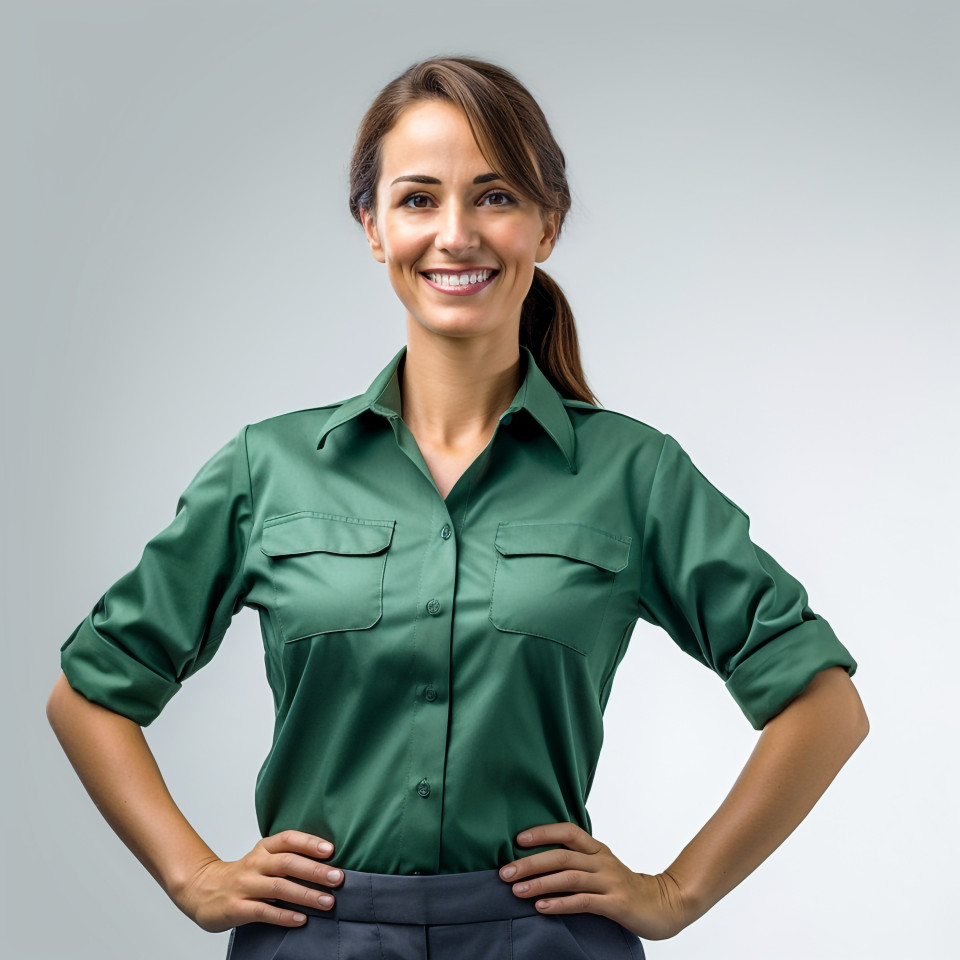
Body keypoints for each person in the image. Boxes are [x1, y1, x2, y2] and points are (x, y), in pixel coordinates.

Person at [46, 56, 869, 960]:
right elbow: (89, 695)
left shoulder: (635, 474)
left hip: (546, 943)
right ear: (372, 226)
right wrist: (192, 876)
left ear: (546, 224)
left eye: (495, 196)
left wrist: (677, 891)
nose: (456, 234)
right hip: (314, 941)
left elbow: (823, 703)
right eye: (417, 199)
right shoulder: (266, 468)